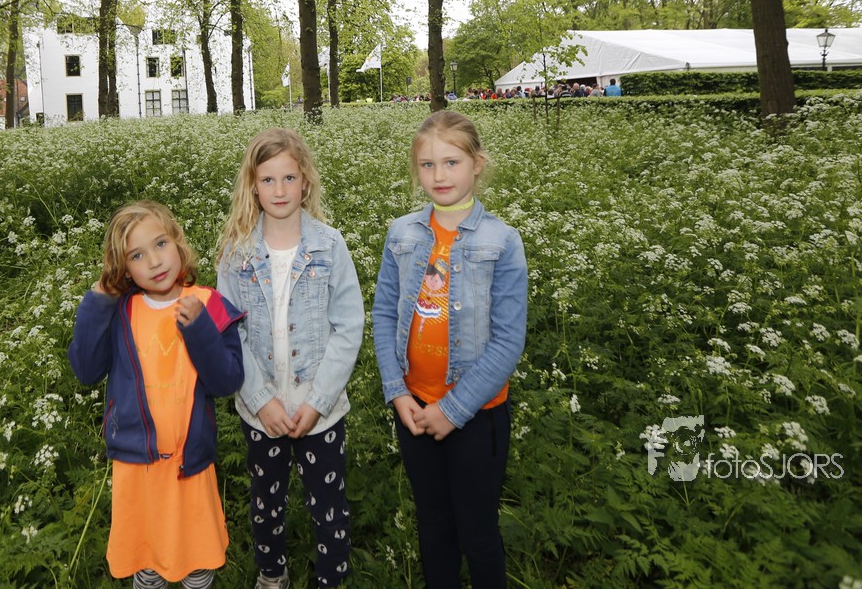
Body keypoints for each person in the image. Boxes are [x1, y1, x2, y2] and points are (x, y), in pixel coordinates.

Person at [372, 111, 528, 589]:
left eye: (451, 162)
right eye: (427, 164)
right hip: (415, 411)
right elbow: (383, 314)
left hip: (478, 416)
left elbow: (508, 341)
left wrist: (453, 410)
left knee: (477, 532)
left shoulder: (502, 241)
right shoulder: (402, 233)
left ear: (477, 164)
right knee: (433, 524)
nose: (439, 175)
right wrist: (398, 392)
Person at [69, 201, 246, 589]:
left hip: (189, 465)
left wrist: (200, 330)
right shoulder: (121, 311)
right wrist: (100, 299)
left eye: (161, 243)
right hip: (137, 466)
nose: (153, 261)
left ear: (178, 241)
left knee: (196, 561)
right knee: (146, 561)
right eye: (137, 255)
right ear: (123, 268)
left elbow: (227, 381)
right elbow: (86, 370)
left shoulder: (208, 304)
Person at [216, 128, 365, 589]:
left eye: (288, 178)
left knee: (329, 504)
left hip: (320, 411)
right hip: (262, 412)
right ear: (253, 187)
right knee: (266, 502)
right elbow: (229, 334)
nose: (279, 190)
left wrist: (318, 401)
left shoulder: (330, 246)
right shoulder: (236, 253)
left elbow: (349, 327)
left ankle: (331, 579)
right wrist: (261, 400)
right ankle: (271, 574)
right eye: (267, 180)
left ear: (305, 182)